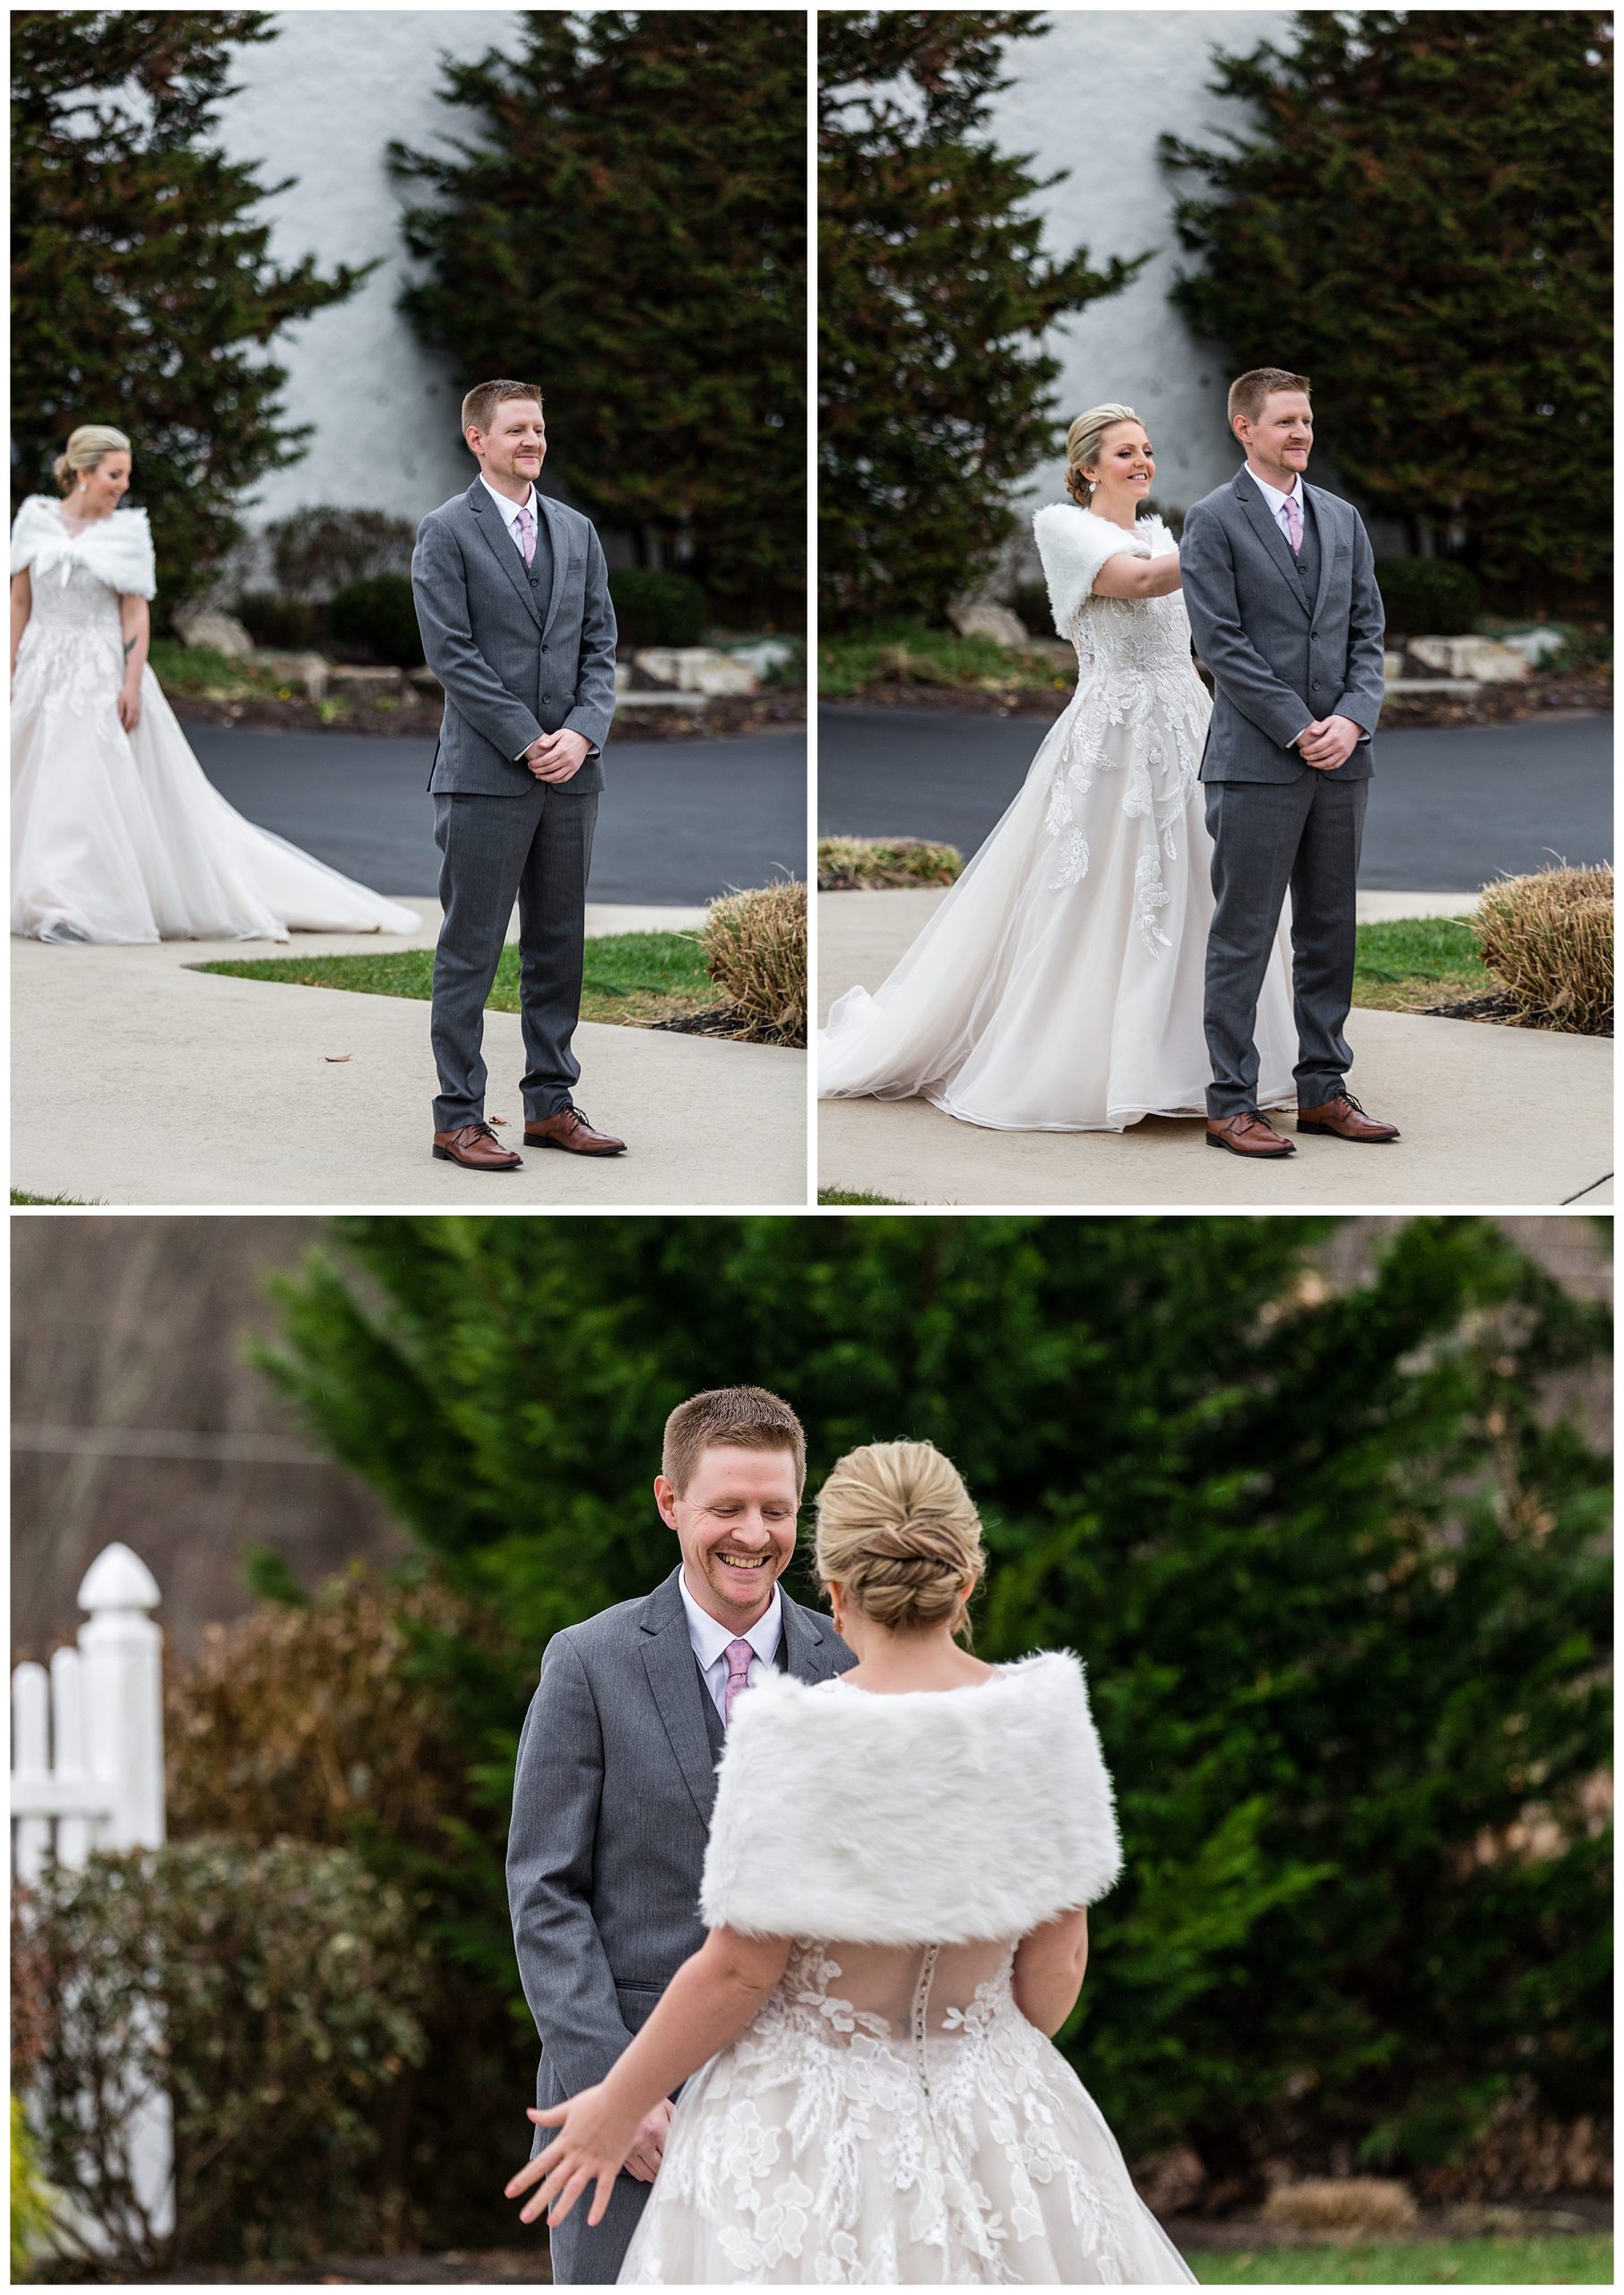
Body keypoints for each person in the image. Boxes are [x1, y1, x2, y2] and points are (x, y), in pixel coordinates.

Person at [509, 1437, 1196, 2286]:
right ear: (966, 1580)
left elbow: (739, 1972)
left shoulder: (794, 1733)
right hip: (1001, 2118)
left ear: (833, 1592)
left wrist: (613, 2106)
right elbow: (1057, 1968)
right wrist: (961, 2053)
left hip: (802, 2126)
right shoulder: (1046, 1720)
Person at [816, 403, 1296, 1133]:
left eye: (1148, 450)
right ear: (1087, 468)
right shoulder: (1064, 529)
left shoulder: (1165, 531)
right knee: (1109, 893)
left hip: (1192, 725)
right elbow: (1134, 584)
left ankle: (1208, 1063)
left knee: (1206, 888)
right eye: (1125, 453)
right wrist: (1229, 525)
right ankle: (1100, 1063)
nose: (1143, 462)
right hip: (1117, 737)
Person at [505, 1386, 855, 2285]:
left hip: (811, 2108)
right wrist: (620, 2093)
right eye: (726, 1507)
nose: (754, 1534)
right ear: (670, 1503)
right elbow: (545, 1892)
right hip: (619, 2104)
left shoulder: (849, 1668)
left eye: (776, 1509)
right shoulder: (588, 1662)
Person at [10, 425, 418, 944]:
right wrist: (11, 669)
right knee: (33, 782)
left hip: (101, 670)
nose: (122, 486)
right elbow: (18, 602)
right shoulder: (34, 520)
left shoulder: (127, 532)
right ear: (83, 472)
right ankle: (33, 891)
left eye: (126, 476)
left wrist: (131, 684)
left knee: (83, 784)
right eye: (114, 475)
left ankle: (68, 907)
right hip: (41, 665)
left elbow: (135, 616)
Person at [1180, 368, 1397, 1159]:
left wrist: (1351, 718)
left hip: (1343, 761)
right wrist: (1296, 725)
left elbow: (1367, 632)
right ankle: (1230, 1104)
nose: (1301, 433)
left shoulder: (1343, 519)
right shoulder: (1211, 520)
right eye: (1284, 422)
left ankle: (1323, 1091)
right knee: (1243, 932)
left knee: (1331, 931)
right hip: (1255, 762)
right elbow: (1219, 644)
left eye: (1306, 420)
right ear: (1246, 428)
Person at [410, 380, 622, 1173]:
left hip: (573, 774)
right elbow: (451, 654)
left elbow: (600, 646)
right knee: (471, 948)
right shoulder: (444, 531)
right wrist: (528, 738)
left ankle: (551, 1106)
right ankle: (457, 1117)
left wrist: (581, 734)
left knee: (559, 946)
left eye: (539, 427)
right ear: (477, 438)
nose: (532, 440)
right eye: (516, 429)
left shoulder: (576, 530)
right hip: (484, 776)